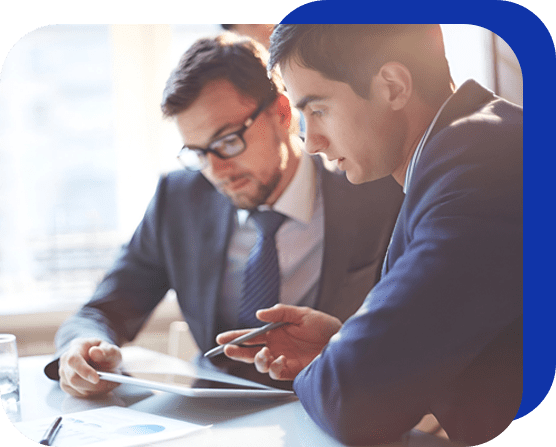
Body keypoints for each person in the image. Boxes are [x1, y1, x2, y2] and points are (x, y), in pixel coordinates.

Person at [43, 32, 404, 397]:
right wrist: (82, 349)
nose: (216, 171)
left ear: (281, 113)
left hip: (331, 406)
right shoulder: (179, 200)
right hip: (213, 413)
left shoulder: (374, 191)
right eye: (199, 152)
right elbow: (102, 311)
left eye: (228, 142)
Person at [217, 24, 523, 445]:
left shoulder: (478, 175)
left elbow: (354, 401)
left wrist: (338, 367)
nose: (311, 142)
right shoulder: (462, 152)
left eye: (318, 109)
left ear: (394, 87)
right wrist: (340, 347)